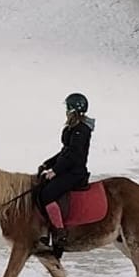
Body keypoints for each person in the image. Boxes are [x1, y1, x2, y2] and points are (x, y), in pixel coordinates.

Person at [34, 92, 94, 255]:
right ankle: (45, 232)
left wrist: (55, 171)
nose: (66, 111)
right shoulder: (74, 128)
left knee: (47, 194)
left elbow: (73, 155)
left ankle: (59, 234)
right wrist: (48, 163)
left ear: (74, 110)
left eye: (68, 108)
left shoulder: (81, 130)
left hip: (75, 173)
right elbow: (65, 152)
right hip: (68, 169)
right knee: (41, 187)